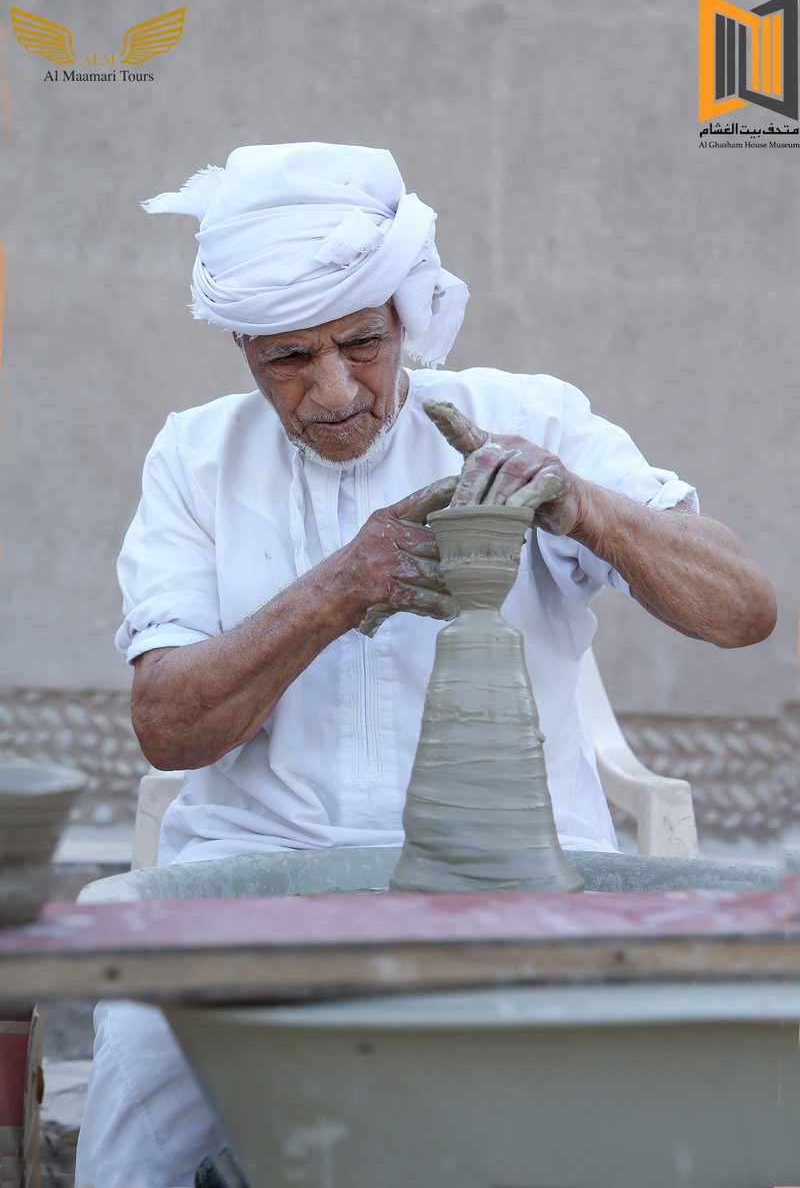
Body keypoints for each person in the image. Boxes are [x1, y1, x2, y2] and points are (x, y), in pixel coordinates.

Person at [75, 143, 776, 1187]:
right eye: (283, 359)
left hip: (522, 876)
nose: (327, 390)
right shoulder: (194, 455)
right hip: (254, 875)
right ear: (240, 349)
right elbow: (169, 728)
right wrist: (336, 589)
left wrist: (578, 501)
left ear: (406, 313)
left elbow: (742, 610)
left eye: (359, 342)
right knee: (134, 1104)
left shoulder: (530, 415)